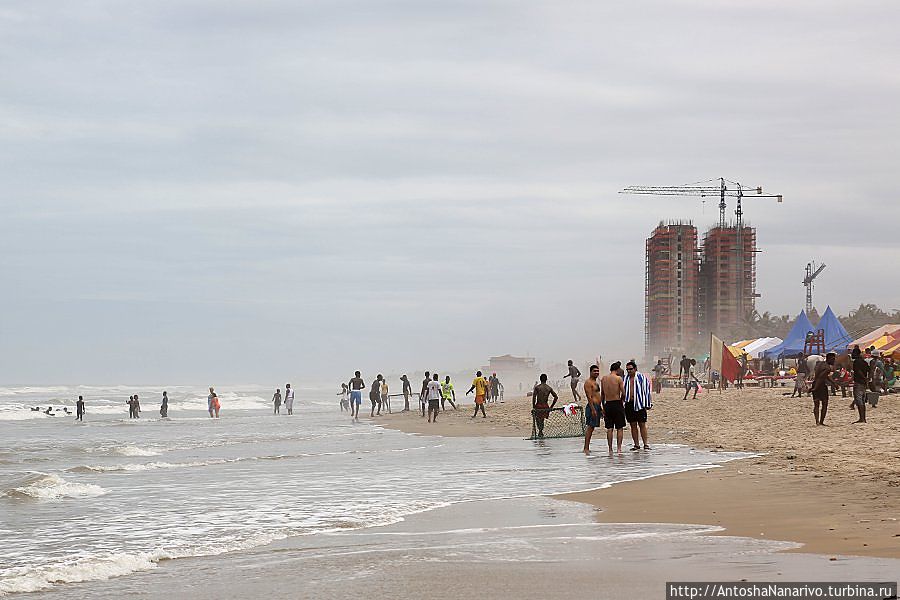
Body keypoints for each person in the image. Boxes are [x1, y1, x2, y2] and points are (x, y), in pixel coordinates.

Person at [622, 360, 652, 450]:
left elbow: (647, 391)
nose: (629, 371)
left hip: (639, 403)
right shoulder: (625, 379)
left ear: (635, 369)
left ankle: (646, 444)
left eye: (630, 369)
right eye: (627, 369)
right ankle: (636, 444)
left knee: (642, 424)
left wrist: (648, 403)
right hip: (629, 403)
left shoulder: (641, 377)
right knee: (633, 424)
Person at [600, 362, 626, 454]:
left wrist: (602, 407)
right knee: (619, 427)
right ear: (617, 369)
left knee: (609, 428)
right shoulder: (618, 378)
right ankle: (619, 448)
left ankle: (610, 449)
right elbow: (623, 392)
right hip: (617, 403)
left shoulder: (603, 379)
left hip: (608, 404)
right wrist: (622, 401)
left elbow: (602, 394)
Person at [811, 353, 835, 425]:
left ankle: (817, 421)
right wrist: (815, 388)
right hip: (821, 386)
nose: (834, 361)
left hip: (815, 383)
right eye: (833, 359)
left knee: (816, 404)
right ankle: (821, 422)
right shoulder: (828, 368)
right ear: (829, 359)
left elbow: (823, 376)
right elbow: (821, 378)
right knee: (824, 404)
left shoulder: (820, 364)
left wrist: (833, 383)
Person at [531, 374, 559, 438]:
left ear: (540, 379)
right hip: (545, 406)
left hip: (538, 405)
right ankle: (541, 432)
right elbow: (556, 397)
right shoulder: (549, 388)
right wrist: (551, 407)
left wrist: (533, 406)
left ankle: (540, 431)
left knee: (538, 419)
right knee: (542, 420)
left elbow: (534, 398)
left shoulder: (537, 387)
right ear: (546, 379)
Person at [582, 365, 602, 454]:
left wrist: (600, 407)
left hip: (597, 406)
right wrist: (593, 409)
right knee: (590, 427)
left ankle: (587, 447)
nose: (596, 373)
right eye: (594, 371)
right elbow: (589, 396)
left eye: (597, 371)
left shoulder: (596, 382)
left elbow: (597, 395)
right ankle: (586, 448)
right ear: (590, 372)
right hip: (592, 406)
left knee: (592, 427)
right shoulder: (588, 382)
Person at [851, 348, 869, 423]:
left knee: (859, 401)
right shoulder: (864, 362)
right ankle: (863, 418)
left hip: (859, 382)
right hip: (863, 383)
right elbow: (869, 369)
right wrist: (867, 379)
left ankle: (862, 418)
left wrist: (864, 378)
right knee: (862, 400)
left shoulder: (856, 362)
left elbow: (858, 371)